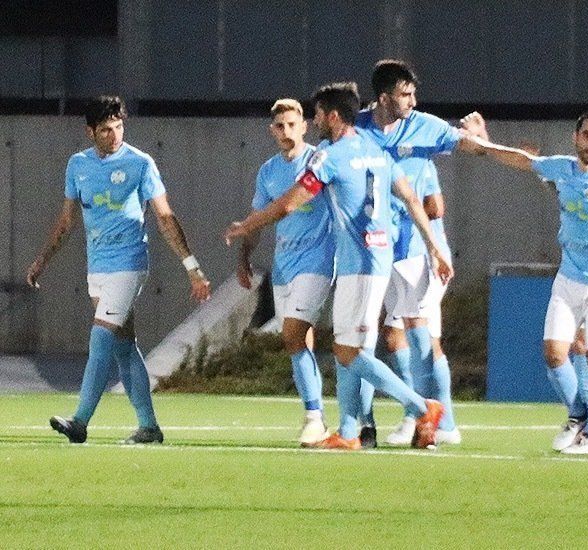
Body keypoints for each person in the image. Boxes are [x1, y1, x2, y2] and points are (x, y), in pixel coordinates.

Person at [225, 82, 450, 450]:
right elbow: (410, 196)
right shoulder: (376, 150)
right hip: (367, 260)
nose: (314, 121)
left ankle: (422, 407)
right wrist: (435, 247)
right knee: (347, 345)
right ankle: (349, 432)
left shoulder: (330, 156)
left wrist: (246, 225)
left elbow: (288, 204)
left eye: (316, 114)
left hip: (361, 262)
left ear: (332, 116)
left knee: (349, 352)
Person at [28, 95, 212, 444]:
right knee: (124, 348)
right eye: (105, 130)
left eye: (118, 127)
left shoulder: (140, 163)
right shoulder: (77, 165)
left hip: (129, 264)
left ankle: (80, 421)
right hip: (97, 267)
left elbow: (165, 216)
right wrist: (42, 261)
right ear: (90, 132)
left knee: (101, 337)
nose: (114, 136)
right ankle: (149, 427)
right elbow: (67, 222)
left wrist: (192, 267)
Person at [467, 111, 588, 454]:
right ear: (576, 138)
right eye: (586, 135)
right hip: (569, 277)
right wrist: (483, 146)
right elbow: (524, 160)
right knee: (554, 353)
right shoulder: (562, 167)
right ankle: (578, 415)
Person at [354, 59, 487, 447]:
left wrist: (480, 139)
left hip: (419, 248)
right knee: (394, 336)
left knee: (417, 330)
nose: (412, 100)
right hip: (381, 247)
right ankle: (420, 414)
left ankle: (438, 419)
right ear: (383, 97)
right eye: (404, 94)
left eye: (414, 93)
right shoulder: (359, 129)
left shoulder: (424, 131)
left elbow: (465, 152)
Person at [236, 99, 334, 447]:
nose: (286, 132)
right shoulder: (268, 171)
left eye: (292, 124)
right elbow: (260, 219)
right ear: (272, 130)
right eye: (280, 126)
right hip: (284, 267)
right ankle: (322, 417)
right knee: (297, 340)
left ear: (305, 126)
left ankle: (314, 417)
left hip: (318, 261)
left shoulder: (320, 160)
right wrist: (244, 258)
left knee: (293, 335)